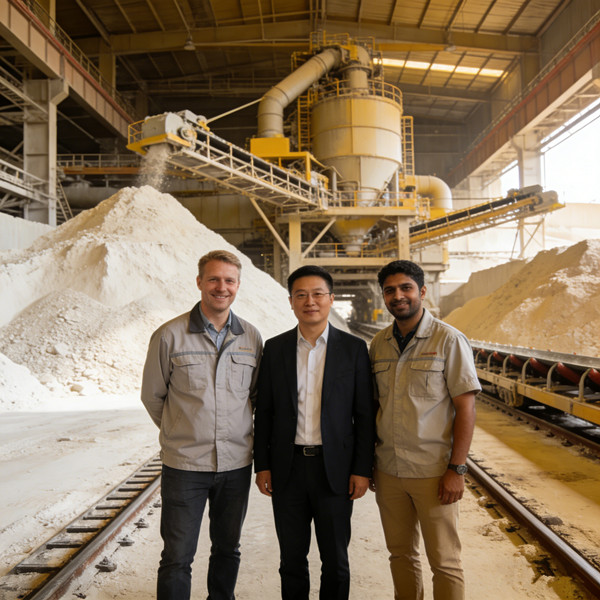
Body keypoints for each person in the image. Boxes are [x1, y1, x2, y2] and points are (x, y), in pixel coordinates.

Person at [141, 249, 262, 600]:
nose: (221, 287)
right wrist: (183, 430)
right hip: (185, 467)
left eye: (229, 280)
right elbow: (153, 396)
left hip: (236, 465)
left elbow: (255, 397)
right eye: (213, 279)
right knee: (177, 557)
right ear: (199, 282)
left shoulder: (251, 338)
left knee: (228, 549)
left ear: (238, 285)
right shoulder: (169, 335)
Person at [254, 265, 375, 600]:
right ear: (291, 301)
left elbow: (364, 416)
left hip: (335, 470)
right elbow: (264, 412)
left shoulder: (353, 349)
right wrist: (263, 465)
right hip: (287, 469)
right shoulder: (275, 348)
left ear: (331, 299)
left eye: (318, 294)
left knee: (335, 560)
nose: (310, 301)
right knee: (291, 560)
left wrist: (361, 469)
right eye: (301, 295)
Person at [369, 259, 480, 600]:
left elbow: (466, 409)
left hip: (433, 472)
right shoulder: (378, 344)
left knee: (444, 561)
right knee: (400, 555)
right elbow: (373, 408)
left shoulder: (449, 340)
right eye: (390, 290)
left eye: (406, 288)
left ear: (422, 291)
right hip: (389, 470)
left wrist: (457, 469)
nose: (398, 296)